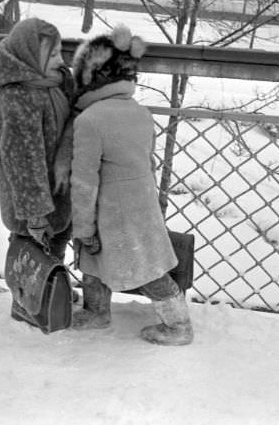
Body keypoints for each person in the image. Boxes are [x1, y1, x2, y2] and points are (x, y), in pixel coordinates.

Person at [69, 24, 194, 346]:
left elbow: (84, 181)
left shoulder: (89, 121)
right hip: (142, 203)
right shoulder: (140, 112)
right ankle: (99, 311)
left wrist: (82, 227)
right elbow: (148, 160)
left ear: (89, 77)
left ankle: (178, 326)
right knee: (141, 260)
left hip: (110, 211)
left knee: (136, 266)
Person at [0, 17, 75, 322]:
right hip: (31, 201)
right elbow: (22, 161)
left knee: (56, 245)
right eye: (52, 56)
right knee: (31, 249)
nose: (61, 61)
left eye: (61, 52)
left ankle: (49, 290)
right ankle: (25, 302)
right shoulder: (17, 99)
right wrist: (35, 213)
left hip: (55, 191)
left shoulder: (52, 85)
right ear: (28, 57)